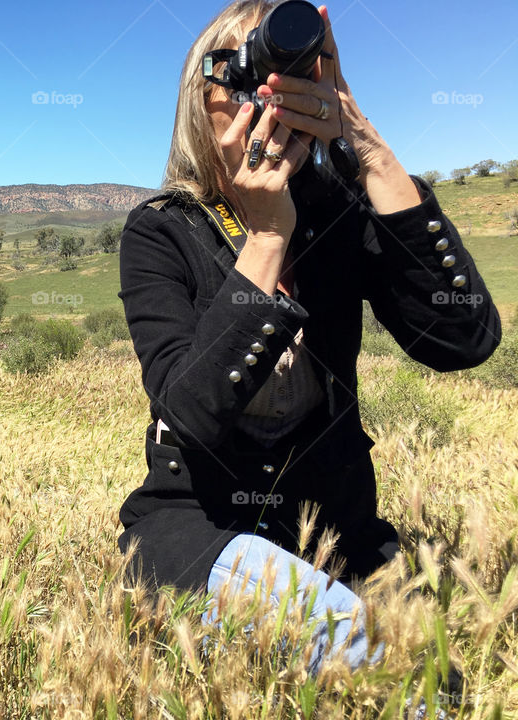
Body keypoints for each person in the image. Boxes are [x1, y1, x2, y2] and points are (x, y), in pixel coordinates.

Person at [115, 0, 500, 698]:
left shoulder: (342, 211)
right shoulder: (162, 232)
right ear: (197, 108)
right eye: (239, 80)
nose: (265, 100)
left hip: (338, 530)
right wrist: (266, 239)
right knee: (403, 676)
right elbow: (190, 415)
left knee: (441, 678)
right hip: (198, 527)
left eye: (287, 76)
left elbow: (462, 339)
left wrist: (366, 148)